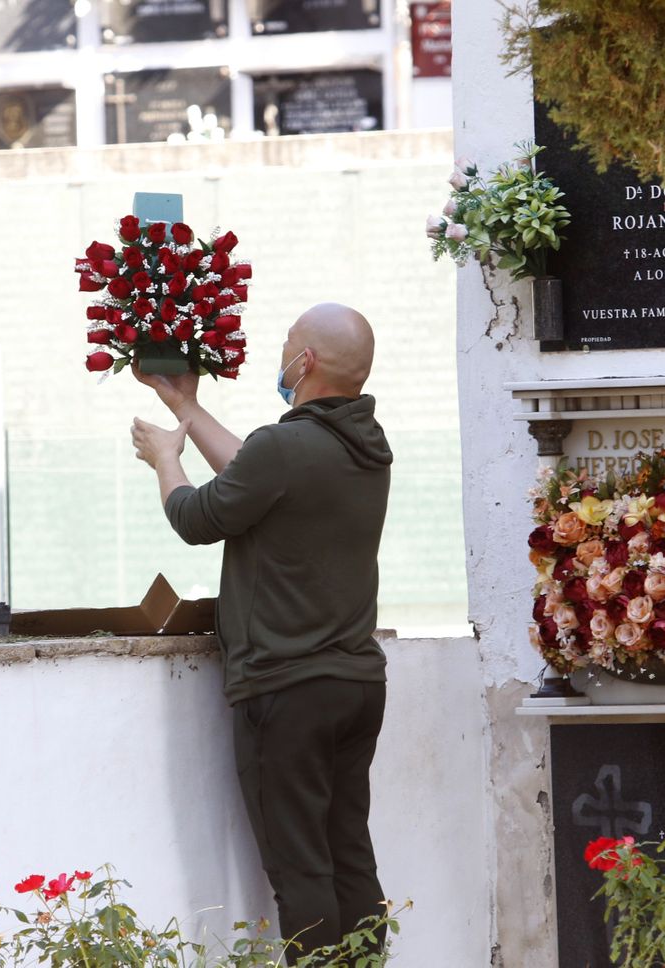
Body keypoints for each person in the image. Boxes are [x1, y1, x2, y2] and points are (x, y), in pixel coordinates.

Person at [128, 302, 393, 963]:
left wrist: (166, 455)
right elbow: (257, 470)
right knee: (349, 855)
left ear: (304, 363)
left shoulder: (286, 448)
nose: (280, 355)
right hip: (356, 684)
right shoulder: (366, 446)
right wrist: (185, 405)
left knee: (300, 868)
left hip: (287, 689)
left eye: (285, 346)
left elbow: (196, 516)